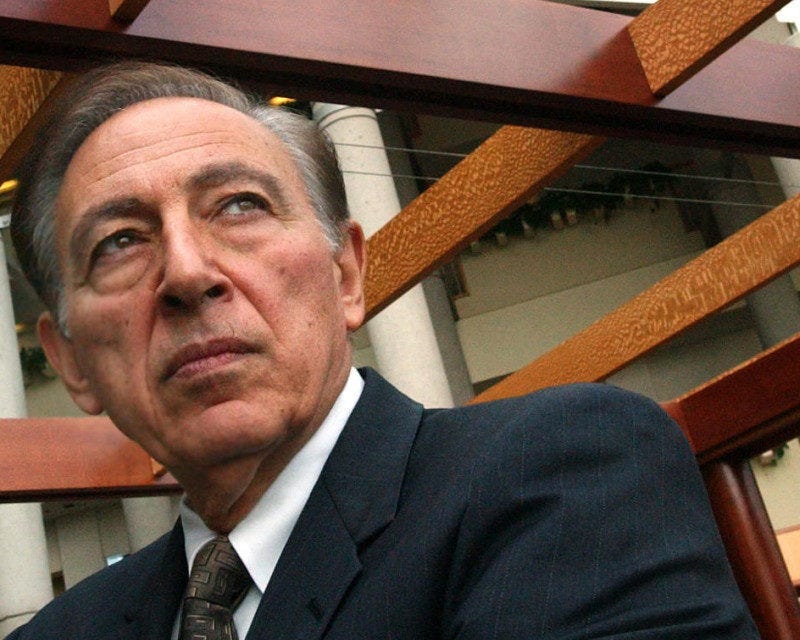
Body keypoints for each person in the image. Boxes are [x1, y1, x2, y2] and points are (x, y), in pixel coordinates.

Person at [6, 61, 758, 639]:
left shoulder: (561, 473)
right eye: (119, 242)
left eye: (238, 205)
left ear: (345, 275)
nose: (187, 273)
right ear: (70, 360)